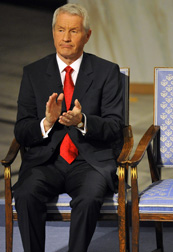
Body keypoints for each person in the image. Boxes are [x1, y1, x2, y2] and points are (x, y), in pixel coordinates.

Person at [13, 3, 124, 252]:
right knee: (26, 194)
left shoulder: (107, 72)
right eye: (61, 30)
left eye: (73, 31)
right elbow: (21, 130)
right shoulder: (33, 73)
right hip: (45, 162)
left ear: (87, 35)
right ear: (52, 32)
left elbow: (115, 127)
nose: (66, 37)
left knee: (89, 198)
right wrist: (47, 122)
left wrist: (82, 121)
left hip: (89, 162)